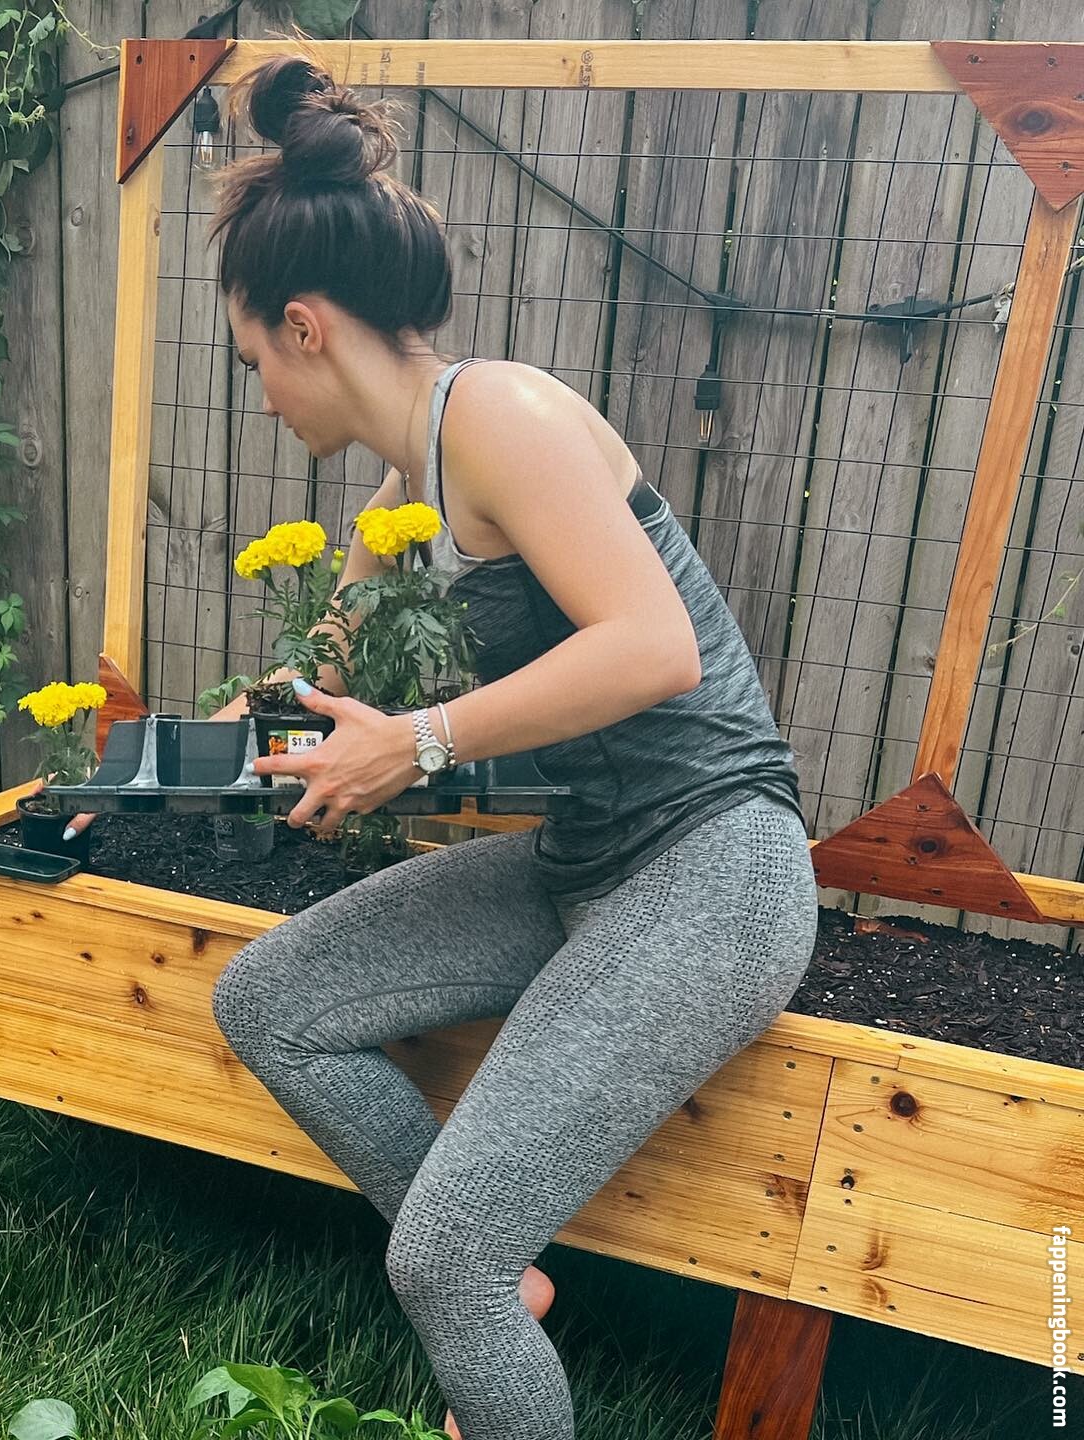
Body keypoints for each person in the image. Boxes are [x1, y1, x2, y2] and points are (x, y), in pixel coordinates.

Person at [90, 56, 818, 1440]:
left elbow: (653, 647)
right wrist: (169, 765)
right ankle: (492, 1278)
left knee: (441, 1263)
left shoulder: (504, 418)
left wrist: (416, 745)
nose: (261, 397)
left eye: (254, 363)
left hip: (713, 873)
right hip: (586, 861)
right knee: (274, 1002)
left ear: (304, 328)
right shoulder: (405, 487)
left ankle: (474, 1281)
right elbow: (320, 687)